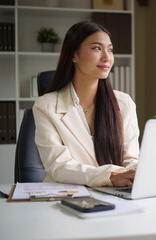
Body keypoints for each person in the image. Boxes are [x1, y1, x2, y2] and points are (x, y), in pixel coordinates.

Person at [33, 21, 139, 188]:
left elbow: (131, 159)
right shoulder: (45, 106)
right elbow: (59, 166)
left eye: (110, 50)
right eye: (97, 48)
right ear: (73, 55)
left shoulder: (124, 103)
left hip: (115, 196)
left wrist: (137, 174)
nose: (107, 57)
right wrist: (110, 176)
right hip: (66, 197)